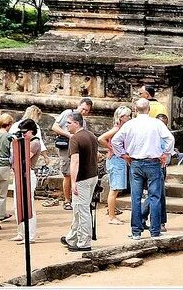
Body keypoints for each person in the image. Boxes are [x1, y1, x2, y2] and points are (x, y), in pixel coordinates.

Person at [111, 99, 173, 239]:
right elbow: (170, 139)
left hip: (135, 163)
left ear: (135, 109)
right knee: (155, 197)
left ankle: (136, 231)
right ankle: (155, 230)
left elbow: (115, 141)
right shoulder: (156, 123)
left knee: (136, 198)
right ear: (148, 109)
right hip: (153, 162)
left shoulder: (129, 125)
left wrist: (123, 154)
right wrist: (165, 154)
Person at [60, 111, 100, 252]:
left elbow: (75, 161)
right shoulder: (91, 136)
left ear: (76, 123)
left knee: (82, 210)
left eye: (69, 123)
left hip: (82, 178)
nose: (67, 126)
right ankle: (72, 237)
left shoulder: (75, 139)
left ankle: (84, 242)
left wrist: (73, 183)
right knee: (80, 208)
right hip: (92, 176)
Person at [48, 98, 92, 210]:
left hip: (77, 148)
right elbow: (54, 127)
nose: (84, 112)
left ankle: (77, 198)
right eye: (83, 109)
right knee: (67, 174)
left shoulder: (83, 122)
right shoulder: (68, 113)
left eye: (86, 110)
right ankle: (67, 200)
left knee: (78, 172)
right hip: (65, 146)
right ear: (79, 105)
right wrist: (68, 135)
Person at [10, 118, 43, 244]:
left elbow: (24, 158)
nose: (23, 134)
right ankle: (21, 232)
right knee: (17, 205)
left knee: (28, 205)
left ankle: (30, 235)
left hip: (28, 173)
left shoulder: (34, 143)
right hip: (19, 173)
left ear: (31, 131)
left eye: (25, 132)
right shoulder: (25, 141)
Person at [98, 107, 132, 224]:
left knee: (116, 189)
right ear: (121, 117)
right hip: (115, 160)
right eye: (127, 116)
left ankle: (112, 213)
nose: (129, 118)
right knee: (114, 189)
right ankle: (111, 216)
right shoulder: (117, 129)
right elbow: (101, 138)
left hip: (119, 159)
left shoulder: (122, 128)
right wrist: (111, 148)